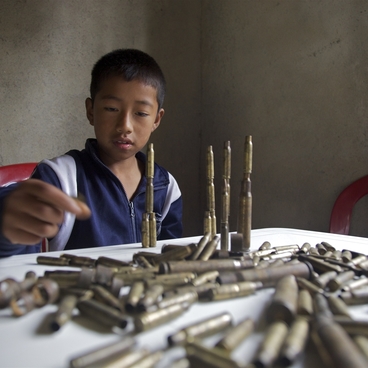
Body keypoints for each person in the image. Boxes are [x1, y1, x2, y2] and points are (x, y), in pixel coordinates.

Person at [0, 49, 183, 257]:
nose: (125, 126)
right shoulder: (61, 178)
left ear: (156, 120)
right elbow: (18, 257)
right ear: (91, 111)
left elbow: (170, 261)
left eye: (141, 113)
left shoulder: (166, 188)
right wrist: (5, 219)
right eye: (111, 109)